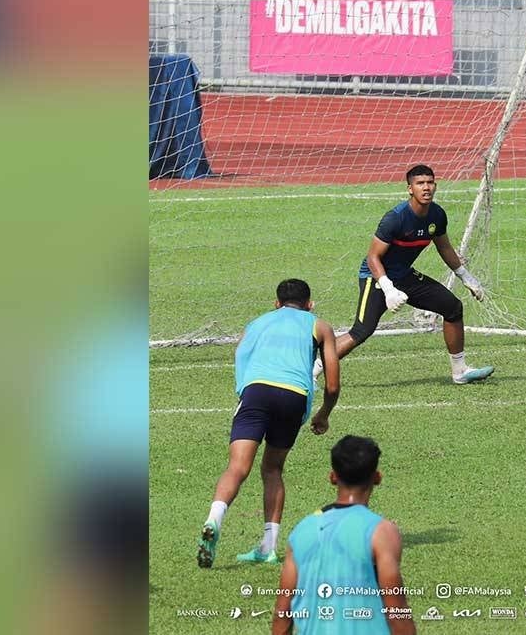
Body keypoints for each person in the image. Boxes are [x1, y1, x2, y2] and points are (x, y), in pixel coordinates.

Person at [197, 279, 340, 568]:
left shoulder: (257, 323)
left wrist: (246, 393)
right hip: (294, 396)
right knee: (273, 468)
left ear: (276, 304)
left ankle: (214, 519)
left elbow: (240, 355)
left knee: (237, 467)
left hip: (256, 391)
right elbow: (333, 384)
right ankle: (268, 546)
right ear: (309, 304)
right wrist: (323, 413)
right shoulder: (319, 326)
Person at [315, 164, 493, 385]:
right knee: (362, 330)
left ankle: (460, 371)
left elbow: (444, 247)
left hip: (405, 276)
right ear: (410, 189)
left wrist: (465, 276)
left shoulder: (437, 215)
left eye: (430, 182)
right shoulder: (395, 218)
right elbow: (373, 258)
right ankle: (312, 371)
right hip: (376, 277)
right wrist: (388, 289)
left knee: (452, 307)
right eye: (420, 183)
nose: (426, 188)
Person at [272, 435, 416, 635]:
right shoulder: (382, 532)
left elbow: (282, 614)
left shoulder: (302, 531)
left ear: (332, 477)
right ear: (377, 478)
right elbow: (397, 613)